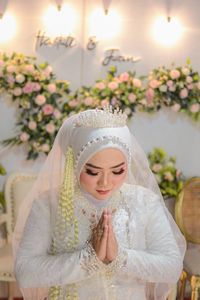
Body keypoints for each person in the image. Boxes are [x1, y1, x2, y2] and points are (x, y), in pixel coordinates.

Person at [13, 106, 186, 300]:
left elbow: (172, 267)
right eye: (93, 172)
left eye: (118, 171)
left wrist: (119, 258)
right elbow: (25, 272)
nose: (105, 182)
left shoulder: (143, 202)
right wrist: (87, 258)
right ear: (75, 164)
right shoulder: (48, 205)